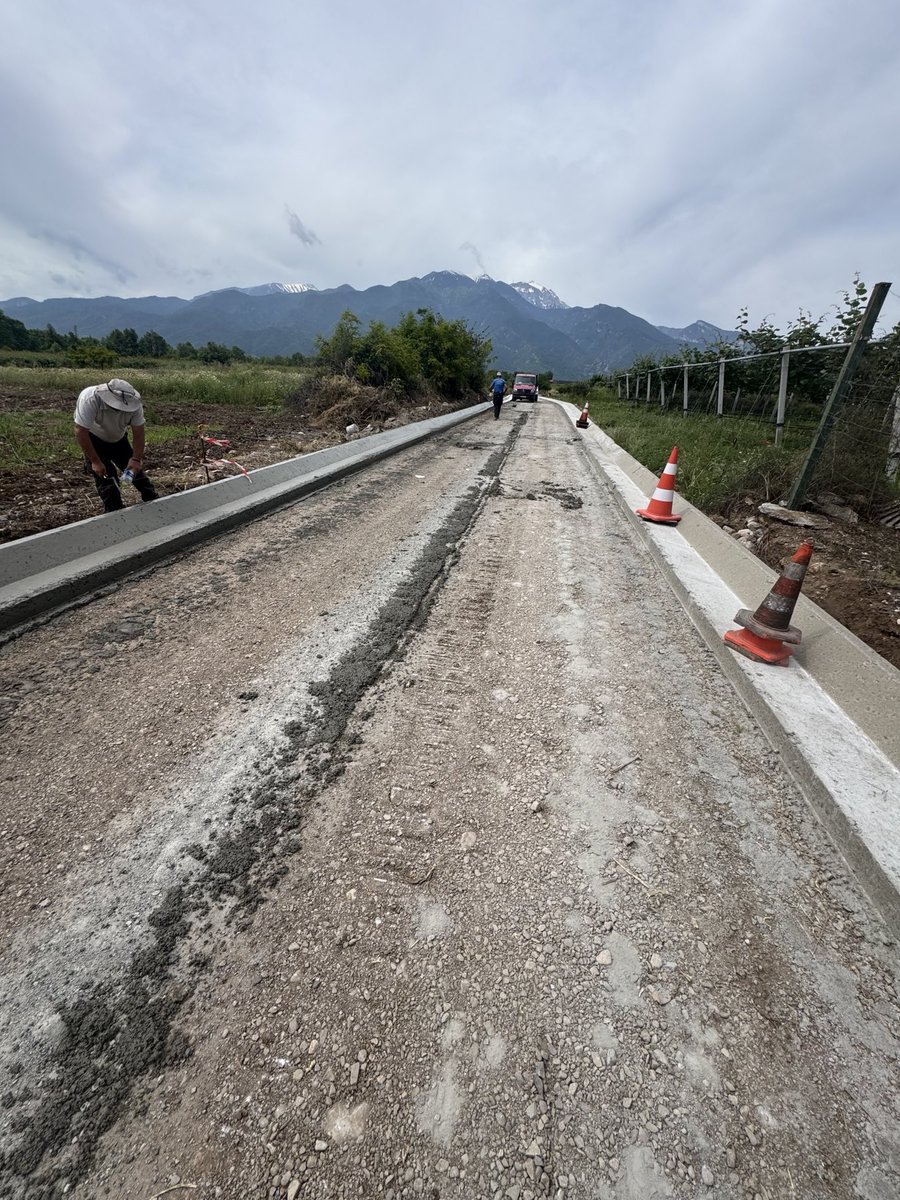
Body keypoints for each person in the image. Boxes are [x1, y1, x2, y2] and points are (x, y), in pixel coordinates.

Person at [74, 378, 159, 512]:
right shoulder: (90, 398)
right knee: (107, 479)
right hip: (94, 439)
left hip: (118, 438)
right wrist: (95, 461)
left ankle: (154, 502)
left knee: (135, 472)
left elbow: (138, 432)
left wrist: (136, 459)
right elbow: (81, 431)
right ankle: (114, 511)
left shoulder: (135, 404)